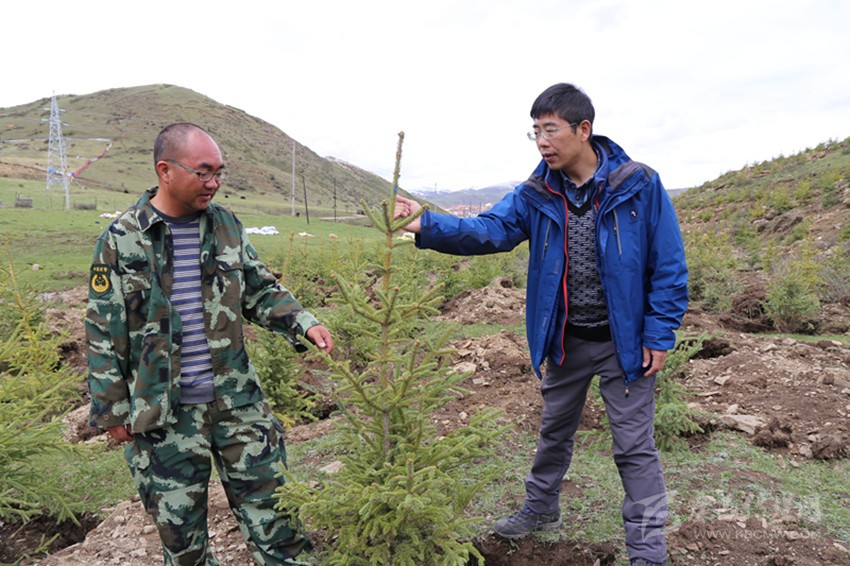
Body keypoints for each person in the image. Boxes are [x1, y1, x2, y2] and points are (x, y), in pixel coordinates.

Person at [395, 83, 688, 566]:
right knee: (554, 431)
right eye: (535, 132)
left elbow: (669, 264)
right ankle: (541, 508)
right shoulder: (536, 194)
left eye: (550, 130)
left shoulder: (638, 184)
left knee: (635, 449)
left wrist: (659, 334)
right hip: (566, 341)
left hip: (626, 344)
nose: (542, 142)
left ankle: (648, 554)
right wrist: (427, 224)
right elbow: (489, 230)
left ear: (583, 129)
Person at [86, 122, 333, 566]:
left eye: (219, 172)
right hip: (164, 417)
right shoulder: (121, 239)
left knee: (279, 524)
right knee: (184, 545)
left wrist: (302, 322)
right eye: (203, 172)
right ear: (165, 170)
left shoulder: (226, 226)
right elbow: (104, 330)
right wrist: (113, 410)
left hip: (237, 403)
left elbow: (259, 289)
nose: (214, 183)